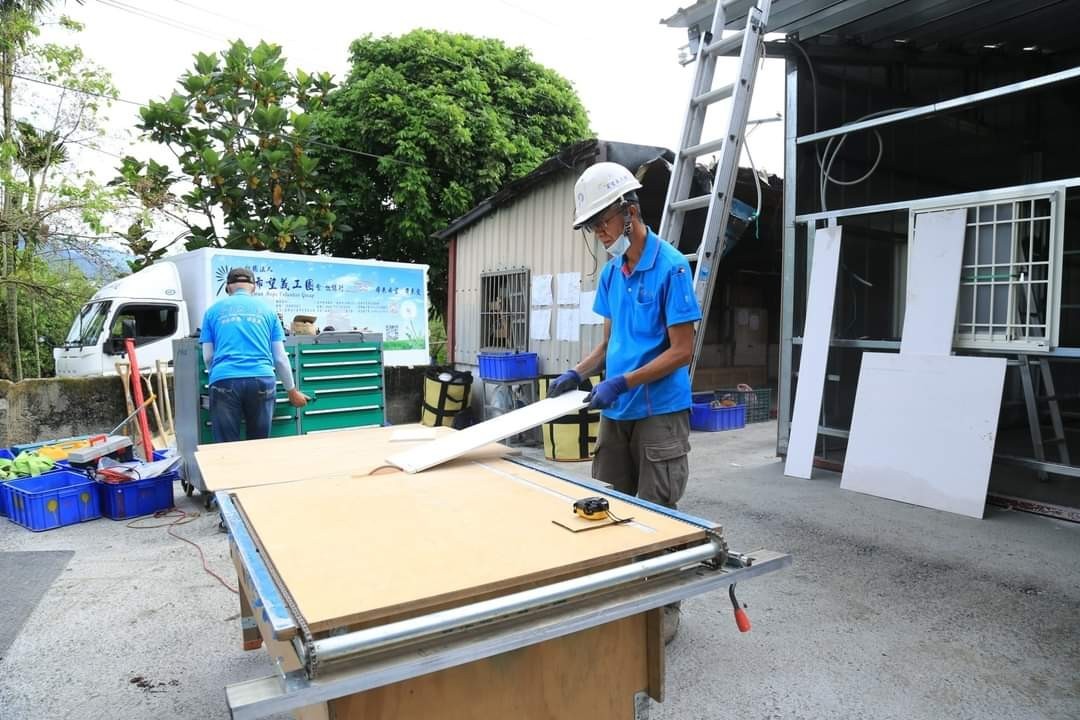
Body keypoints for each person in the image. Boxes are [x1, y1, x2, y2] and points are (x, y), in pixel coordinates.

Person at [548, 161, 702, 643]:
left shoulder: (672, 267)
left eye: (602, 222)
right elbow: (609, 343)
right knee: (610, 506)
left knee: (658, 513)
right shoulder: (613, 273)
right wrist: (579, 372)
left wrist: (624, 381)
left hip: (659, 412)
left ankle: (665, 608)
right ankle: (625, 599)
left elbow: (682, 350)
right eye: (592, 226)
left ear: (629, 211)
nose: (599, 234)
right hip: (618, 410)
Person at [200, 267, 307, 444]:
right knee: (258, 445)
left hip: (223, 379)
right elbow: (280, 358)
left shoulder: (212, 312)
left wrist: (220, 374)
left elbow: (208, 356)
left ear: (228, 287)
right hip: (262, 379)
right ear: (254, 287)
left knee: (226, 446)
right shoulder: (269, 311)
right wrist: (292, 391)